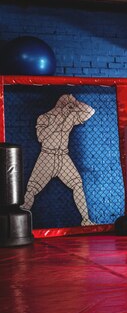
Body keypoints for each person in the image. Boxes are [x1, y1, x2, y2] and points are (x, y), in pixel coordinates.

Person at [23, 94, 95, 226]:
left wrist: (76, 104)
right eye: (67, 106)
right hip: (47, 157)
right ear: (60, 106)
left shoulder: (70, 116)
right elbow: (41, 137)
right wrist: (58, 120)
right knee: (32, 189)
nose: (69, 110)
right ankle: (21, 223)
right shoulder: (44, 117)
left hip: (63, 157)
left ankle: (86, 220)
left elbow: (90, 111)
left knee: (77, 184)